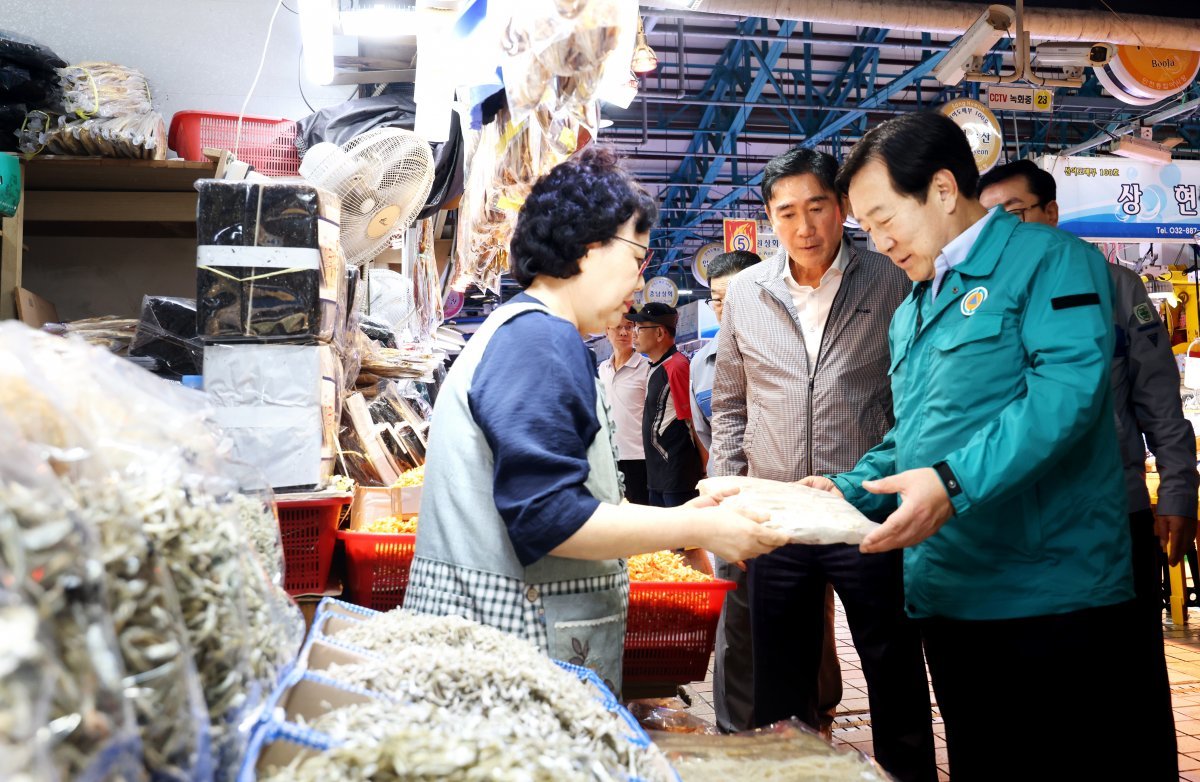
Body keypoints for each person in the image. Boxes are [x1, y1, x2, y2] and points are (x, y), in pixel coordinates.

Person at [809, 111, 1161, 780]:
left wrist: (951, 482)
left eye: (886, 219)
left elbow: (1065, 396)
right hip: (951, 591)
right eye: (868, 227)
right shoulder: (915, 305)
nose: (879, 242)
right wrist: (847, 486)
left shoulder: (1054, 263)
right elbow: (919, 433)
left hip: (1047, 593)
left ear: (943, 189)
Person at [404, 147, 789, 697]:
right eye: (637, 259)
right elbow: (548, 518)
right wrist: (699, 529)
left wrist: (683, 514)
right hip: (511, 663)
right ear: (590, 246)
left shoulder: (522, 330)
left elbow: (572, 493)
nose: (640, 284)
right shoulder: (540, 340)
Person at [709, 147, 935, 780]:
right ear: (768, 219)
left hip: (864, 510)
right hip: (776, 516)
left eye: (817, 208)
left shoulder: (891, 280)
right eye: (787, 213)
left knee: (891, 661)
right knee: (779, 674)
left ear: (842, 209)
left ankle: (909, 773)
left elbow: (914, 399)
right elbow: (729, 405)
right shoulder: (749, 291)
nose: (803, 227)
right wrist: (731, 499)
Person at [979, 158, 1196, 775]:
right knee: (1035, 685)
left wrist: (1178, 489)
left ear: (1051, 214)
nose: (1005, 230)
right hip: (1015, 523)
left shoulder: (1118, 287)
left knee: (1129, 678)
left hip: (1112, 517)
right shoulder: (983, 300)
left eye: (1016, 213)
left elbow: (1160, 401)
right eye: (990, 219)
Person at [689, 250, 762, 462]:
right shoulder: (701, 364)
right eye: (718, 301)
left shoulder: (789, 350)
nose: (725, 309)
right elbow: (706, 434)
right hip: (727, 484)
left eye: (735, 298)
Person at [631, 302, 705, 508]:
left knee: (680, 535)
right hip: (657, 473)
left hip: (677, 472)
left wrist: (706, 466)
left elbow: (691, 419)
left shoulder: (677, 365)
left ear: (660, 333)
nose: (634, 334)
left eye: (640, 328)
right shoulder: (656, 366)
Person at [598, 312, 652, 504]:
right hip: (608, 457)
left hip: (638, 457)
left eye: (629, 327)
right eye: (617, 326)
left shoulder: (646, 368)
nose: (623, 332)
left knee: (639, 516)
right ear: (607, 331)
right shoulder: (602, 369)